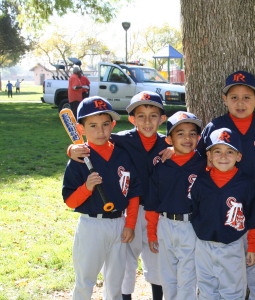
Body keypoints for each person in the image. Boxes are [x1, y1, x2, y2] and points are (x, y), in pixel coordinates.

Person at [198, 70, 255, 300]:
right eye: (234, 97)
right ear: (224, 99)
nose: (240, 102)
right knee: (228, 252)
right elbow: (200, 162)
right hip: (223, 199)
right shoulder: (216, 125)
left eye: (247, 97)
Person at [67, 91, 167, 300]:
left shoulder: (164, 143)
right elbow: (92, 142)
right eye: (141, 115)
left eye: (153, 115)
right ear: (132, 119)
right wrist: (71, 150)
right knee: (120, 267)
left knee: (154, 261)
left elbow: (191, 149)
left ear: (162, 119)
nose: (147, 121)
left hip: (154, 212)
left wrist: (174, 149)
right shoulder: (122, 140)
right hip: (117, 215)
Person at [62, 96, 143, 300]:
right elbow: (70, 201)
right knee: (85, 280)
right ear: (81, 129)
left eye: (105, 124)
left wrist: (130, 224)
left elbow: (133, 192)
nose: (100, 131)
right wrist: (87, 187)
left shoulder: (122, 154)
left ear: (113, 125)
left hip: (119, 223)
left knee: (115, 282)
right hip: (92, 226)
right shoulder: (79, 160)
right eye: (93, 125)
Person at [190, 127, 255, 300]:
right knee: (206, 289)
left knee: (232, 291)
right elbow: (193, 211)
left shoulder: (246, 185)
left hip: (232, 245)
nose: (223, 156)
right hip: (203, 246)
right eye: (217, 151)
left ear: (239, 156)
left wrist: (253, 248)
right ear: (209, 156)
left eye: (230, 151)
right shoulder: (200, 182)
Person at [145, 111, 205, 300]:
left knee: (187, 278)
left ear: (199, 137)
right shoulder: (162, 165)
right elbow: (153, 202)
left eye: (192, 133)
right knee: (167, 277)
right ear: (169, 139)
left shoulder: (204, 164)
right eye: (180, 133)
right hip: (165, 224)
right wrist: (151, 232)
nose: (187, 138)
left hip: (190, 225)